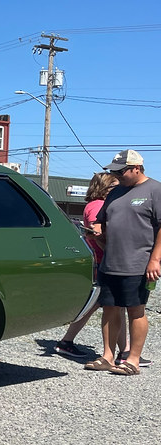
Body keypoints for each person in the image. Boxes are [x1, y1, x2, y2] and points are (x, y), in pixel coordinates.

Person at [84, 149, 161, 375]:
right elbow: (103, 223)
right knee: (109, 309)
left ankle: (132, 360)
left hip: (139, 263)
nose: (116, 175)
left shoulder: (155, 190)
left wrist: (155, 260)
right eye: (114, 171)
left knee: (135, 310)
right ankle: (107, 356)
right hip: (111, 262)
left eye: (121, 171)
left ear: (136, 168)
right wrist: (96, 233)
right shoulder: (115, 192)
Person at [56, 172, 129, 358]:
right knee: (111, 305)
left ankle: (124, 351)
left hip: (102, 260)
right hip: (103, 259)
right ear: (104, 187)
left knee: (106, 305)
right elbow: (99, 232)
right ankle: (124, 352)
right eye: (114, 186)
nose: (118, 188)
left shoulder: (94, 205)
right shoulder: (98, 206)